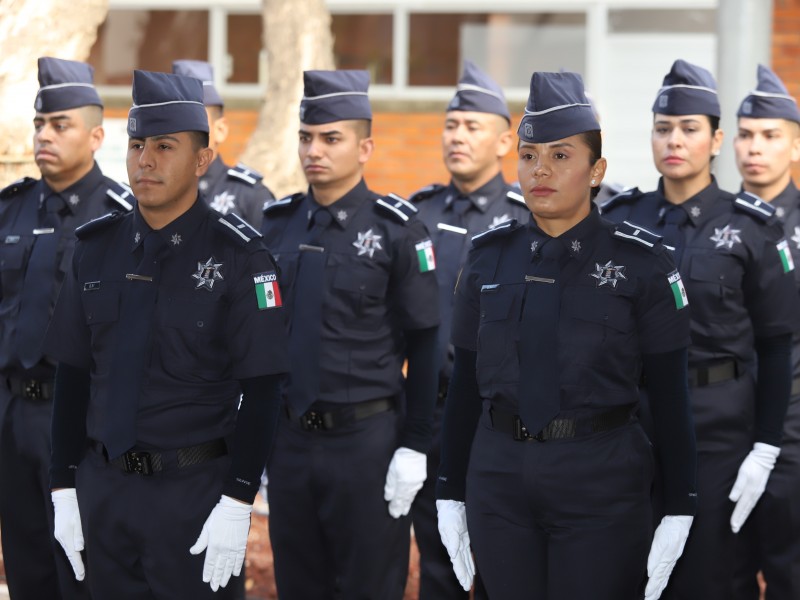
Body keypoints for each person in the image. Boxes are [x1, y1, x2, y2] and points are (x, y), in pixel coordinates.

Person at [436, 69, 697, 600]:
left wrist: (680, 504)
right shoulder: (487, 257)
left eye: (560, 155)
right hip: (500, 479)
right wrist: (450, 491)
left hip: (600, 477)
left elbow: (671, 395)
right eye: (529, 155)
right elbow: (464, 383)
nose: (540, 170)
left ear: (596, 169)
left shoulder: (641, 262)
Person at [45, 69, 288, 599]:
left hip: (193, 497)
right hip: (101, 491)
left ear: (202, 160)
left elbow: (265, 389)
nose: (145, 161)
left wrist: (238, 498)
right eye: (136, 146)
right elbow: (73, 373)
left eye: (163, 146)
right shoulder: (95, 248)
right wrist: (64, 485)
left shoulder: (240, 256)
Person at [601, 59, 799, 600]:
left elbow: (776, 346)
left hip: (717, 426)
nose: (674, 140)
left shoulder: (752, 228)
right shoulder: (620, 221)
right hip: (632, 424)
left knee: (710, 574)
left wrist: (763, 447)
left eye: (690, 129)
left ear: (715, 141)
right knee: (629, 572)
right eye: (663, 128)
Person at [260, 69, 440, 599]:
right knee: (298, 584)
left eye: (331, 138)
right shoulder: (277, 226)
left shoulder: (396, 230)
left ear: (365, 148)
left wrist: (415, 446)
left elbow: (426, 344)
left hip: (366, 444)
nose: (315, 150)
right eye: (306, 137)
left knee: (369, 587)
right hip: (291, 443)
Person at [0, 57, 133, 600]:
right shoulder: (11, 209)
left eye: (60, 125)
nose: (44, 136)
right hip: (11, 416)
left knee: (81, 568)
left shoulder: (124, 216)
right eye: (39, 125)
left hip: (79, 420)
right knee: (27, 563)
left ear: (97, 135)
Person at [409, 59, 528, 600]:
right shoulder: (418, 214)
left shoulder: (527, 218)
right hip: (430, 416)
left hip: (498, 420)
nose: (458, 136)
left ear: (505, 141)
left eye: (472, 126)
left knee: (503, 563)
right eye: (452, 125)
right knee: (437, 560)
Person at [731, 64, 800, 600]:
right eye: (747, 136)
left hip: (795, 424)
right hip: (723, 416)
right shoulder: (713, 222)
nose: (756, 148)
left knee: (787, 563)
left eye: (771, 137)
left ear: (795, 148)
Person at [173, 59, 274, 228]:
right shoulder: (154, 192)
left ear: (220, 130)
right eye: (175, 123)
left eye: (195, 124)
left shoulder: (250, 195)